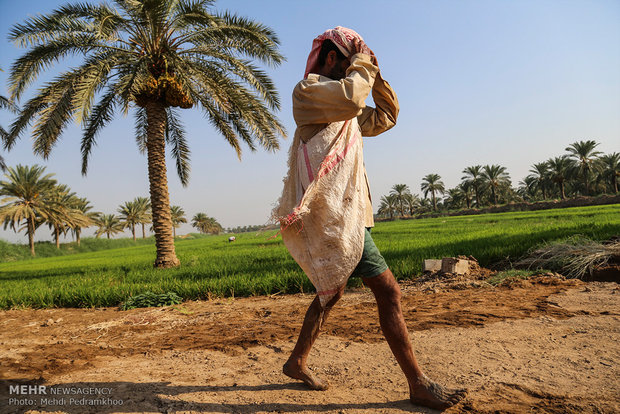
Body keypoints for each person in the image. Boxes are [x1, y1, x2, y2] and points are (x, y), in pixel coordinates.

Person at [274, 27, 466, 411]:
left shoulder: (345, 113)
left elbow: (387, 116)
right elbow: (351, 95)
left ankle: (296, 361)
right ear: (332, 60)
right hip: (333, 221)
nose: (355, 72)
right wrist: (363, 66)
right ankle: (417, 384)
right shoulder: (309, 94)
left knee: (333, 290)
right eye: (350, 64)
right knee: (390, 292)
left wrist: (374, 72)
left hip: (347, 217)